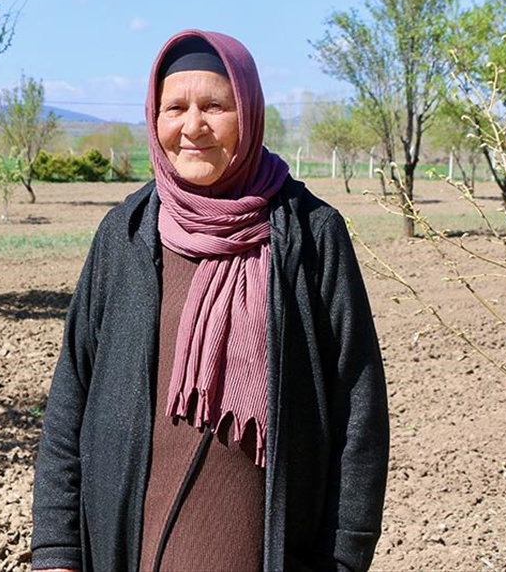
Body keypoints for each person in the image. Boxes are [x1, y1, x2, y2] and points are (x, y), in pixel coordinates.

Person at [30, 29, 389, 572]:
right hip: (132, 546)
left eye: (214, 106)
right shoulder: (124, 236)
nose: (192, 126)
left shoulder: (311, 235)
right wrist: (56, 552)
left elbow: (358, 410)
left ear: (247, 112)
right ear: (155, 119)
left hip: (261, 549)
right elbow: (70, 402)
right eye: (175, 107)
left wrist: (344, 555)